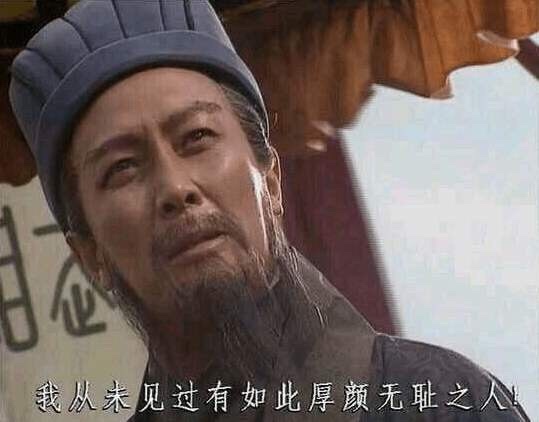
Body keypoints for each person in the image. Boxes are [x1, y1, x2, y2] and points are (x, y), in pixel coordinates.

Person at [8, 1, 529, 421]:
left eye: (197, 137)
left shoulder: (439, 401)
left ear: (272, 181)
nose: (175, 188)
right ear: (89, 255)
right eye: (122, 168)